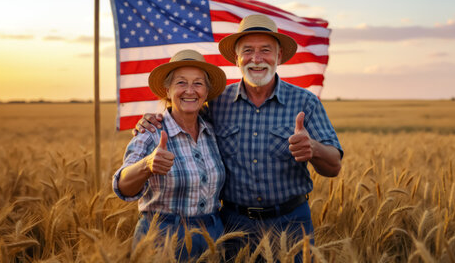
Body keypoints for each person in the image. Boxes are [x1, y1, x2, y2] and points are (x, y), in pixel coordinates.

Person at [135, 15, 343, 260]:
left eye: (265, 50)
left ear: (278, 57)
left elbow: (334, 166)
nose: (256, 59)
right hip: (234, 226)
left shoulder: (305, 101)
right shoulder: (218, 102)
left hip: (291, 222)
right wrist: (149, 121)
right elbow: (182, 114)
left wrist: (314, 149)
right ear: (236, 58)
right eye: (248, 51)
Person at [113, 49, 227, 260]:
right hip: (162, 237)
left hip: (213, 236)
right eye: (181, 83)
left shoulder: (213, 132)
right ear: (167, 90)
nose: (190, 91)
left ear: (206, 91)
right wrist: (147, 165)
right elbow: (122, 186)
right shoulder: (151, 132)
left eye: (198, 83)